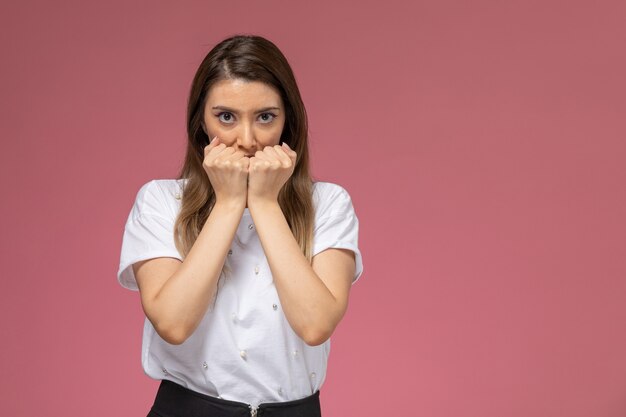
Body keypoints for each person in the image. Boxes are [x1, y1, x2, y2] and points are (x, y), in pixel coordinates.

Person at [117, 34, 364, 417]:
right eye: (226, 117)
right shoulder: (161, 201)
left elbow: (316, 324)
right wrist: (231, 202)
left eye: (265, 117)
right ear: (201, 119)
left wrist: (264, 203)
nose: (246, 140)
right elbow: (173, 323)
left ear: (288, 121)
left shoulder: (328, 204)